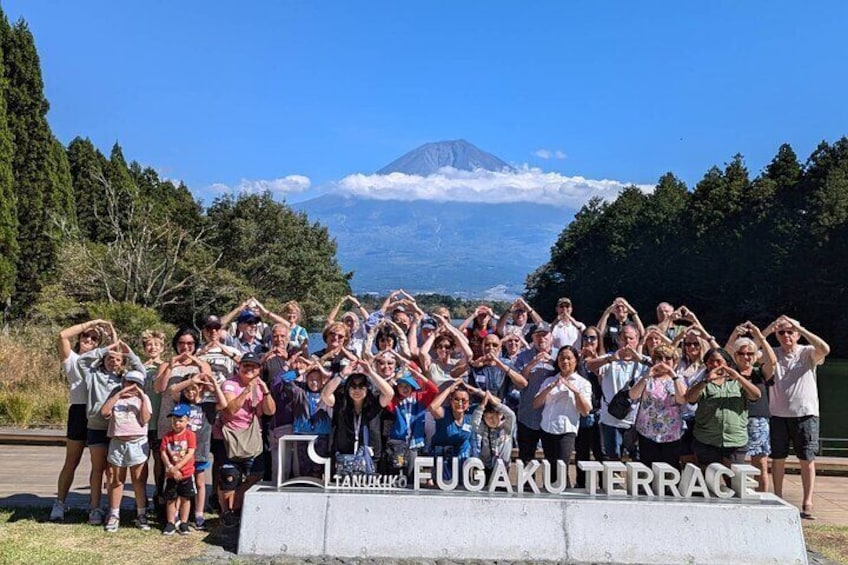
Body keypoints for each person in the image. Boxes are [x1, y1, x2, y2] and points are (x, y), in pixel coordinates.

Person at [764, 315, 830, 519]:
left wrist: (800, 330)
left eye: (789, 332)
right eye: (781, 332)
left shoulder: (807, 352)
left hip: (806, 414)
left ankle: (807, 501)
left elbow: (825, 349)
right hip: (777, 414)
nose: (786, 336)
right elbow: (750, 351)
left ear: (797, 334)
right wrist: (767, 331)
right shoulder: (772, 353)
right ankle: (778, 496)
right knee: (777, 458)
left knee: (807, 458)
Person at [78, 340, 145, 526]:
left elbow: (142, 372)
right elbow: (82, 361)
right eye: (109, 358)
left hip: (118, 430)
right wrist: (106, 348)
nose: (113, 361)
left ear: (122, 363)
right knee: (98, 468)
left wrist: (128, 352)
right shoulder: (93, 375)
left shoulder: (126, 380)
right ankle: (95, 507)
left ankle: (112, 509)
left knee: (114, 473)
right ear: (103, 359)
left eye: (116, 359)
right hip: (98, 427)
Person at [51, 318, 111, 523]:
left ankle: (95, 507)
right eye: (87, 336)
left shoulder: (101, 362)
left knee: (99, 465)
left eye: (95, 339)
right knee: (72, 461)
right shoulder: (72, 359)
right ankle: (59, 503)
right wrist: (92, 323)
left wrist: (109, 329)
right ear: (80, 338)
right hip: (78, 411)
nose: (90, 340)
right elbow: (62, 335)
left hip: (97, 412)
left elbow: (119, 353)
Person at [217, 352, 276, 527]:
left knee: (256, 475)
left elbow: (270, 411)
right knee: (229, 477)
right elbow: (230, 410)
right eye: (246, 365)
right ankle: (226, 513)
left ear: (259, 369)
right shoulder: (229, 384)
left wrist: (265, 393)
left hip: (252, 437)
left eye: (254, 366)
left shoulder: (260, 385)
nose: (249, 369)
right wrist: (246, 391)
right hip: (230, 436)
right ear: (239, 367)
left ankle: (235, 507)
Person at [168, 372, 227, 530]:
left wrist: (214, 385)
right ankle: (178, 514)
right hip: (180, 452)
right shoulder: (182, 403)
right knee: (180, 482)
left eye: (194, 389)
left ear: (201, 388)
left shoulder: (208, 404)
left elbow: (224, 404)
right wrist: (190, 381)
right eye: (188, 390)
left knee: (200, 483)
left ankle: (199, 512)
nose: (191, 393)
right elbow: (173, 390)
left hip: (200, 450)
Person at [685, 348, 761, 469]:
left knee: (735, 481)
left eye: (718, 361)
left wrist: (738, 377)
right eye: (710, 362)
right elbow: (690, 398)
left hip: (735, 441)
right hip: (707, 440)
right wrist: (706, 381)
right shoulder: (701, 383)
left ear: (727, 363)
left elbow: (756, 395)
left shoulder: (738, 383)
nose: (714, 365)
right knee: (707, 481)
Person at [586, 324, 649, 461]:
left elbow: (662, 368)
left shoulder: (644, 361)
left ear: (637, 340)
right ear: (619, 339)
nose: (627, 342)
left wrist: (640, 359)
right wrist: (611, 359)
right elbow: (589, 365)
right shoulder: (610, 358)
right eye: (624, 338)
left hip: (636, 420)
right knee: (612, 459)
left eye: (631, 338)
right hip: (611, 419)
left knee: (638, 460)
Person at [100, 369, 152, 532]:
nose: (132, 386)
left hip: (137, 443)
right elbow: (104, 412)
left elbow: (145, 419)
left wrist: (142, 396)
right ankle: (114, 514)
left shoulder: (143, 399)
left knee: (138, 480)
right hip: (118, 442)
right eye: (129, 382)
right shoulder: (116, 399)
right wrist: (118, 394)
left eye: (136, 384)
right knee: (116, 480)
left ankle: (141, 513)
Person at [532, 346, 592, 486]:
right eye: (561, 358)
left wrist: (576, 392)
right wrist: (549, 388)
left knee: (562, 467)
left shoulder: (583, 383)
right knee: (551, 468)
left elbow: (585, 411)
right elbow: (535, 404)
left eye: (568, 358)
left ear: (576, 361)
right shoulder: (549, 380)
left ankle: (564, 497)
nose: (565, 361)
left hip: (566, 430)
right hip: (547, 428)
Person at [727, 323, 776, 493]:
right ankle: (735, 495)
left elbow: (773, 361)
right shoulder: (729, 372)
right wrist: (733, 336)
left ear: (755, 356)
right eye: (741, 353)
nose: (746, 357)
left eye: (750, 354)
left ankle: (762, 498)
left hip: (758, 420)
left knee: (760, 464)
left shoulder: (760, 372)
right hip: (734, 421)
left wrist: (761, 336)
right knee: (733, 464)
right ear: (736, 355)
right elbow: (723, 355)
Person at [322, 364, 394, 476]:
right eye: (353, 386)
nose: (357, 390)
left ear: (367, 388)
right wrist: (341, 375)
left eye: (361, 386)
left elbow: (389, 393)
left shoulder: (374, 404)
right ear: (348, 388)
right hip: (345, 460)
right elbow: (325, 395)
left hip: (370, 461)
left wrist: (370, 373)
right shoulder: (342, 404)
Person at [627, 344, 687, 469]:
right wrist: (647, 376)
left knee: (670, 470)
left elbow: (682, 399)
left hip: (671, 434)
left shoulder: (679, 379)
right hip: (647, 432)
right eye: (659, 358)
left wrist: (672, 374)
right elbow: (633, 395)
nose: (663, 362)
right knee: (648, 468)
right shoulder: (646, 377)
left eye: (668, 358)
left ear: (674, 361)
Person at [513, 322, 557, 463]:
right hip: (528, 414)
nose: (541, 338)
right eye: (537, 335)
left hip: (552, 415)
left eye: (544, 335)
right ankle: (526, 485)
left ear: (551, 336)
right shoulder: (523, 357)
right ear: (532, 337)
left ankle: (554, 484)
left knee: (553, 459)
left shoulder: (560, 355)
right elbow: (518, 383)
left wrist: (553, 363)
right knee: (526, 458)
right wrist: (531, 364)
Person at [383, 368, 439, 478]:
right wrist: (394, 378)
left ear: (413, 386)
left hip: (415, 443)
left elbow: (434, 390)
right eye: (401, 385)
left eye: (408, 385)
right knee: (397, 469)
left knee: (412, 473)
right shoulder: (394, 402)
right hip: (398, 443)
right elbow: (385, 391)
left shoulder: (420, 400)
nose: (405, 388)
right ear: (397, 387)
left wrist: (419, 375)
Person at [427, 379, 480, 480]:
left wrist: (475, 390)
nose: (460, 403)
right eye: (456, 399)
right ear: (451, 400)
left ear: (469, 403)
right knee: (447, 480)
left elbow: (496, 402)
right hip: (441, 452)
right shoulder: (444, 413)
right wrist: (449, 389)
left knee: (465, 448)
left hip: (461, 453)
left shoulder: (471, 414)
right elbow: (432, 407)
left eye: (464, 400)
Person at [140, 329, 166, 517]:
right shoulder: (138, 367)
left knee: (159, 460)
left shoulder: (165, 366)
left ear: (162, 348)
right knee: (141, 461)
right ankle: (141, 497)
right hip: (140, 422)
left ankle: (159, 493)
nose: (152, 348)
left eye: (156, 345)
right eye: (149, 344)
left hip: (159, 420)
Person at [159, 404, 197, 536]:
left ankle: (184, 522)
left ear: (187, 421)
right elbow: (163, 452)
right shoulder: (167, 436)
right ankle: (170, 522)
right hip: (171, 474)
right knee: (170, 498)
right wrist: (170, 468)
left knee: (186, 498)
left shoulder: (190, 435)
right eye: (174, 420)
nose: (177, 423)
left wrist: (178, 467)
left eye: (180, 420)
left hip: (186, 473)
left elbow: (190, 453)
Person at [574, 326, 604, 488]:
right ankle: (581, 484)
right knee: (581, 451)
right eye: (586, 337)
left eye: (593, 337)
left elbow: (605, 383)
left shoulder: (605, 359)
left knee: (601, 453)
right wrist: (578, 361)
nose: (589, 341)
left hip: (599, 411)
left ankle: (605, 484)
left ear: (598, 340)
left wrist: (597, 360)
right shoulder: (576, 361)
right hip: (581, 411)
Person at [470, 391, 516, 481]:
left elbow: (511, 415)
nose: (490, 420)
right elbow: (474, 424)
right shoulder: (483, 428)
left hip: (503, 466)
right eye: (487, 417)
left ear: (500, 415)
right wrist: (483, 405)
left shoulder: (506, 427)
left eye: (493, 417)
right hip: (487, 465)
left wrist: (495, 403)